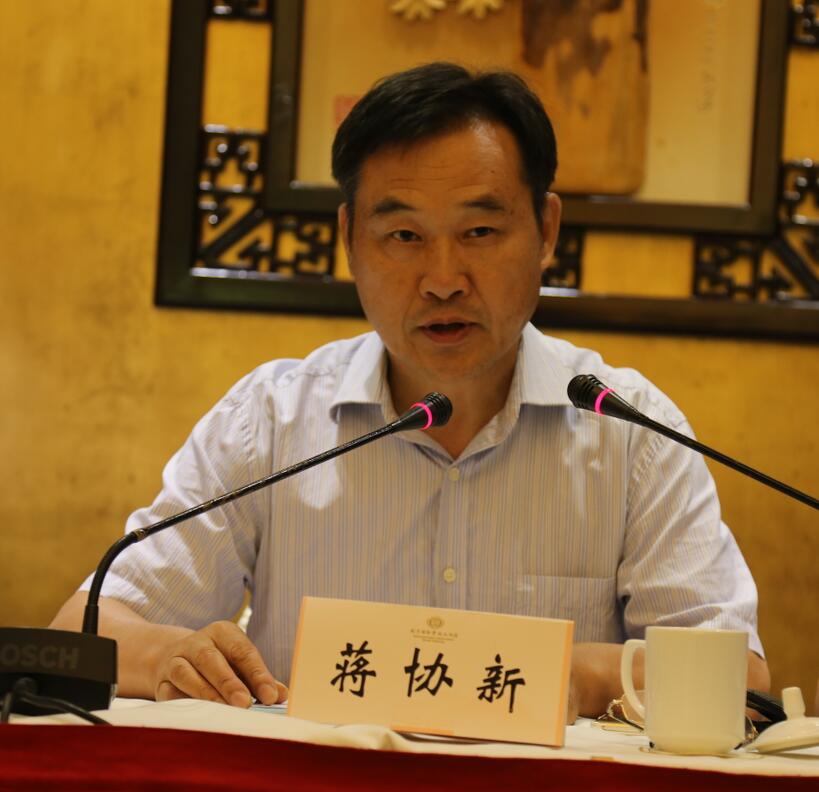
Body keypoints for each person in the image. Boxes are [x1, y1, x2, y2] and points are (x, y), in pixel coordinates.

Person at [51, 63, 769, 719]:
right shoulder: (268, 422)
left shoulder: (631, 432)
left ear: (546, 231)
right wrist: (168, 656)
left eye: (479, 230)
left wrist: (574, 675)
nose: (443, 279)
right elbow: (83, 632)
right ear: (349, 240)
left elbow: (741, 681)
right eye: (402, 236)